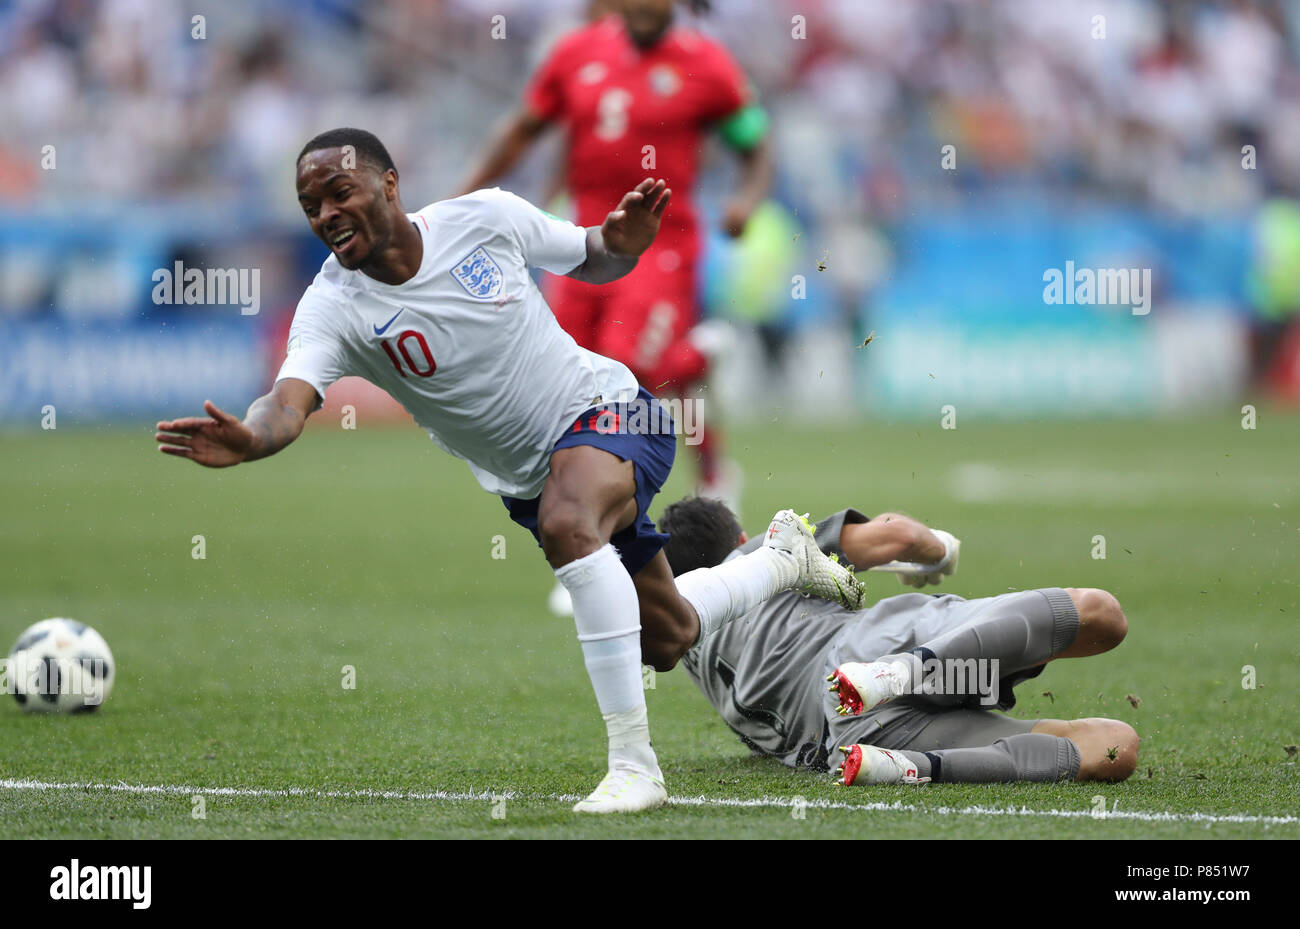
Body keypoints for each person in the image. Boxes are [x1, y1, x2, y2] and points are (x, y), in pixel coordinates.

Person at [154, 128, 864, 814]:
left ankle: (633, 767)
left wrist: (624, 242)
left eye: (339, 192)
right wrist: (251, 436)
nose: (327, 215)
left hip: (620, 412)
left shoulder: (484, 219)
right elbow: (288, 399)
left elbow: (596, 256)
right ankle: (779, 558)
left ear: (388, 183)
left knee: (568, 520)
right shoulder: (333, 307)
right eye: (312, 206)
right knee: (667, 635)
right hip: (539, 482)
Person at [457, 0, 772, 502]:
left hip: (661, 245)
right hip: (583, 242)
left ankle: (606, 515)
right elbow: (524, 130)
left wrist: (745, 201)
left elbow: (754, 143)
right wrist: (462, 200)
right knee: (565, 378)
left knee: (625, 371)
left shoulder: (707, 63)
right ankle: (701, 405)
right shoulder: (575, 52)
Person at [658, 496, 1140, 786]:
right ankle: (906, 670)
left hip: (850, 737)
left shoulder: (684, 646)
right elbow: (902, 537)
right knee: (1103, 614)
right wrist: (938, 551)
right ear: (738, 536)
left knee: (1113, 746)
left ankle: (915, 767)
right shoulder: (756, 555)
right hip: (866, 654)